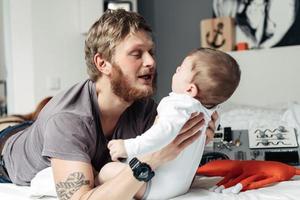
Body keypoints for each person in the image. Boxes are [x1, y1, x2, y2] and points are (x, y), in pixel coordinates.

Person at [0, 9, 218, 200]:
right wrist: (150, 161)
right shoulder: (68, 120)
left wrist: (195, 138)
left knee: (37, 119)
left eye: (151, 52)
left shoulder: (144, 107)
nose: (151, 62)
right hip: (6, 155)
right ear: (102, 63)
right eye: (136, 54)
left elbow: (168, 157)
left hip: (46, 131)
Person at [99, 48, 241, 199]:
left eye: (181, 69)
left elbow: (161, 134)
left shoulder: (178, 105)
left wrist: (127, 146)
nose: (177, 69)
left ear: (190, 89)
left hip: (155, 186)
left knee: (106, 171)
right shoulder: (210, 111)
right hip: (180, 186)